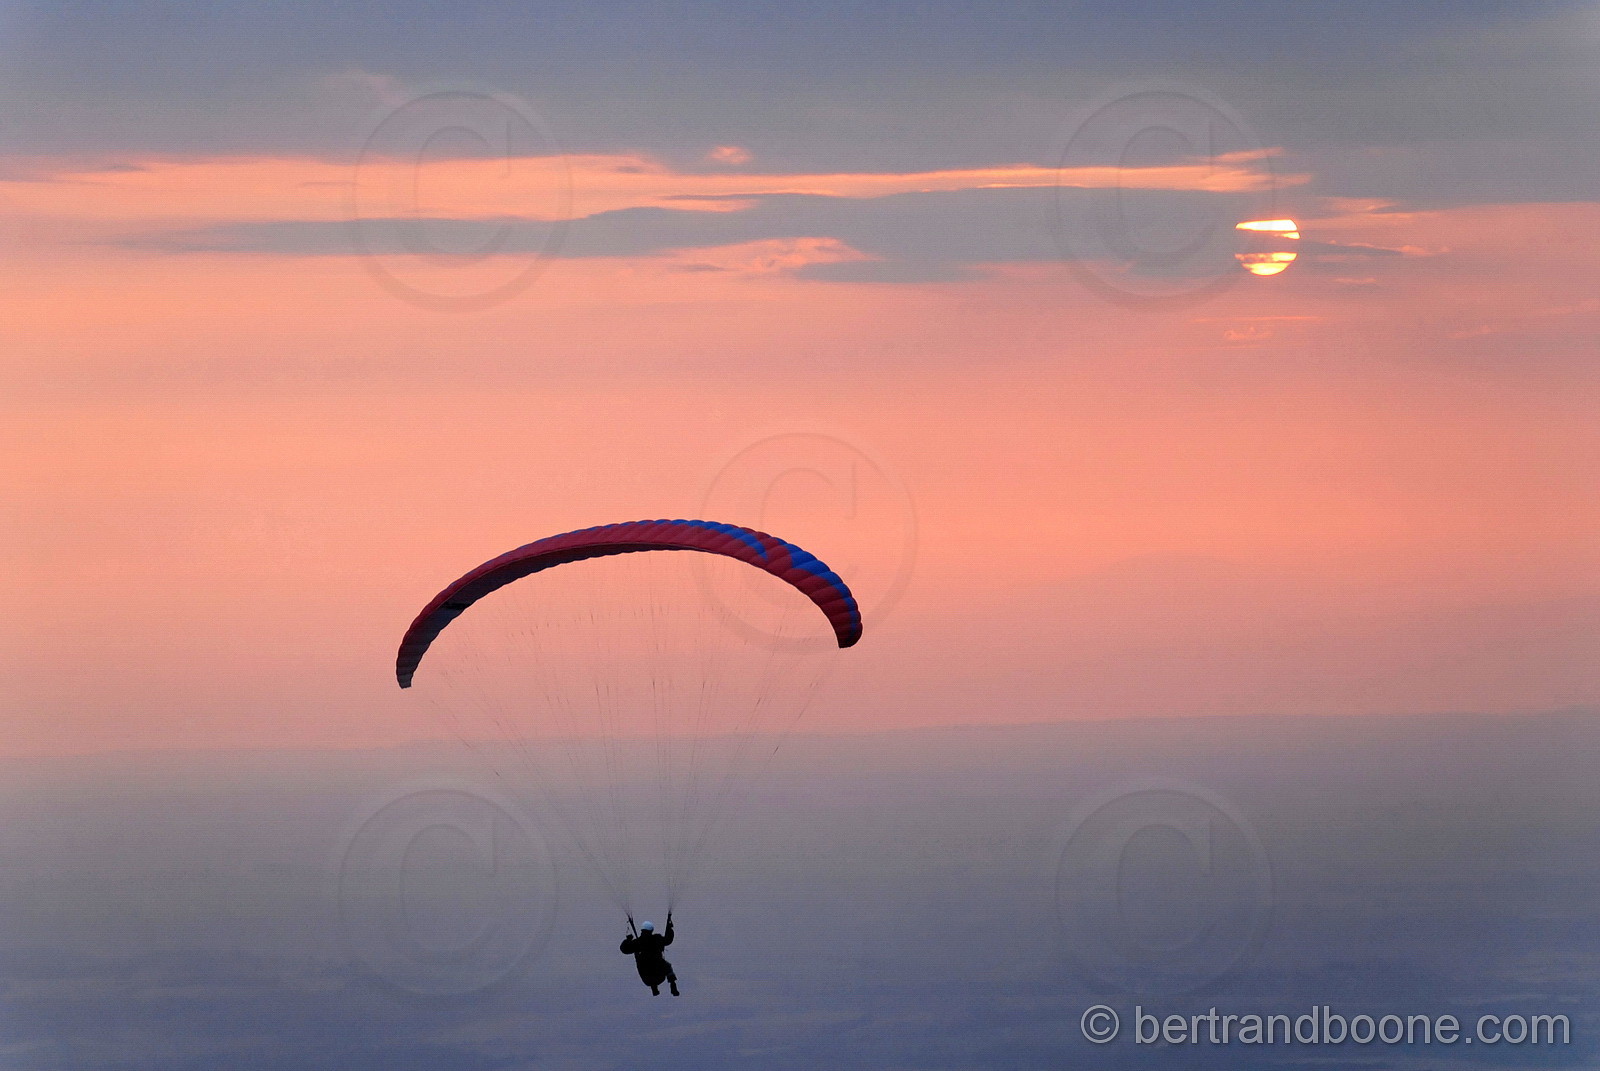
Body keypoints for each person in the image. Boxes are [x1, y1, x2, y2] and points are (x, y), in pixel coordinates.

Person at [619, 914, 679, 996]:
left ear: (642, 930)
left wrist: (628, 939)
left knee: (644, 962)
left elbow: (624, 949)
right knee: (667, 966)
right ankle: (672, 983)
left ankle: (654, 988)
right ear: (651, 930)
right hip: (659, 975)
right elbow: (668, 940)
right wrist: (670, 928)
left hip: (646, 978)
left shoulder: (637, 943)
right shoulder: (657, 939)